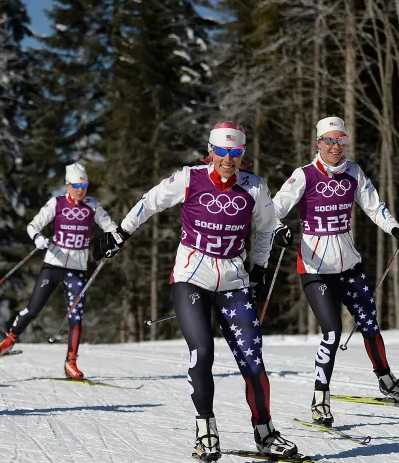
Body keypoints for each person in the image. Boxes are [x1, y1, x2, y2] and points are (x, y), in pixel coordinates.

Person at [94, 122, 297, 461]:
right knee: (202, 352)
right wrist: (121, 233)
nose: (227, 159)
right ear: (211, 150)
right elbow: (150, 202)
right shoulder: (189, 178)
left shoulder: (255, 187)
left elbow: (264, 230)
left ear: (242, 154)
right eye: (222, 151)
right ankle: (206, 431)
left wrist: (259, 268)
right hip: (191, 278)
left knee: (252, 358)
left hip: (234, 281)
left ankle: (265, 432)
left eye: (235, 153)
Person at [270, 116, 399, 427]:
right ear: (318, 144)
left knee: (370, 325)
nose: (335, 146)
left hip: (349, 267)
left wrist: (396, 229)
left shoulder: (353, 173)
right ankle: (320, 398)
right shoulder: (304, 175)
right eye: (329, 141)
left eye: (340, 141)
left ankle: (386, 381)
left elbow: (375, 207)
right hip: (315, 270)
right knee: (332, 332)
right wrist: (279, 228)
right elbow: (273, 209)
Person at [0, 163, 119, 380]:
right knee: (33, 308)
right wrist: (38, 238)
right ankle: (9, 340)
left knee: (76, 317)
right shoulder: (56, 203)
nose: (81, 190)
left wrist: (113, 243)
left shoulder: (93, 205)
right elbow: (33, 226)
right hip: (53, 265)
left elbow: (113, 229)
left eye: (85, 185)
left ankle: (71, 363)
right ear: (68, 185)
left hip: (77, 269)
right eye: (77, 185)